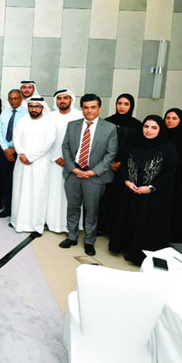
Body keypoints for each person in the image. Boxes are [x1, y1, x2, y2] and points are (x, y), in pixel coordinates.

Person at [108, 115, 178, 265]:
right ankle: (126, 248)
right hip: (130, 192)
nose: (148, 130)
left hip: (152, 197)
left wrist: (151, 188)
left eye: (154, 127)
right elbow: (123, 165)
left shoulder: (168, 149)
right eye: (146, 126)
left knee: (145, 224)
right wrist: (127, 181)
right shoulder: (133, 143)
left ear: (160, 129)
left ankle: (139, 255)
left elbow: (169, 174)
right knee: (128, 220)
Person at [58, 94, 118, 256]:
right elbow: (65, 147)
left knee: (92, 210)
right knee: (72, 207)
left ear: (99, 108)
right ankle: (72, 236)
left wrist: (94, 171)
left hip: (95, 177)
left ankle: (89, 241)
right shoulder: (73, 125)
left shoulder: (110, 128)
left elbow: (111, 154)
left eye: (93, 107)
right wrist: (73, 169)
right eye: (86, 107)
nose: (89, 110)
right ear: (82, 108)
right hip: (74, 174)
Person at [11, 96, 56, 235]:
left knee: (37, 193)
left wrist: (30, 156)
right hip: (22, 162)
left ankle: (36, 225)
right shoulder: (23, 120)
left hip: (39, 163)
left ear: (42, 107)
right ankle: (18, 221)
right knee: (20, 191)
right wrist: (21, 153)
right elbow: (16, 138)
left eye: (37, 106)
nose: (34, 109)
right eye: (31, 106)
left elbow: (49, 143)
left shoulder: (48, 123)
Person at [99, 94, 143, 234]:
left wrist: (122, 163)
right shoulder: (107, 122)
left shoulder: (137, 125)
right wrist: (109, 163)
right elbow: (100, 144)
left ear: (131, 106)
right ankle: (101, 227)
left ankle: (114, 230)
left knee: (120, 198)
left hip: (126, 168)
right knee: (104, 197)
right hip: (106, 165)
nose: (122, 107)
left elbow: (138, 148)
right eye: (120, 103)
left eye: (126, 104)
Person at [46, 90, 82, 233]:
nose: (62, 101)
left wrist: (70, 160)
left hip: (73, 162)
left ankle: (70, 225)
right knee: (54, 192)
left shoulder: (79, 115)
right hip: (54, 160)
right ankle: (52, 223)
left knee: (71, 195)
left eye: (65, 98)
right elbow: (46, 138)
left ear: (71, 100)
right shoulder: (50, 116)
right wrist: (55, 157)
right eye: (59, 98)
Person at [0, 89, 27, 218]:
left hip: (20, 153)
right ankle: (7, 209)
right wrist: (6, 149)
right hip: (5, 152)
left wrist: (14, 149)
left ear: (21, 99)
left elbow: (26, 134)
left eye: (16, 98)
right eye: (11, 98)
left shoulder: (26, 113)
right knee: (6, 181)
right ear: (8, 100)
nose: (13, 101)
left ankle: (18, 210)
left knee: (19, 182)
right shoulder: (4, 113)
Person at [164, 108, 182, 242]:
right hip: (161, 181)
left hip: (178, 182)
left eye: (174, 118)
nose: (170, 121)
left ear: (181, 121)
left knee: (176, 213)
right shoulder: (161, 136)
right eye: (168, 118)